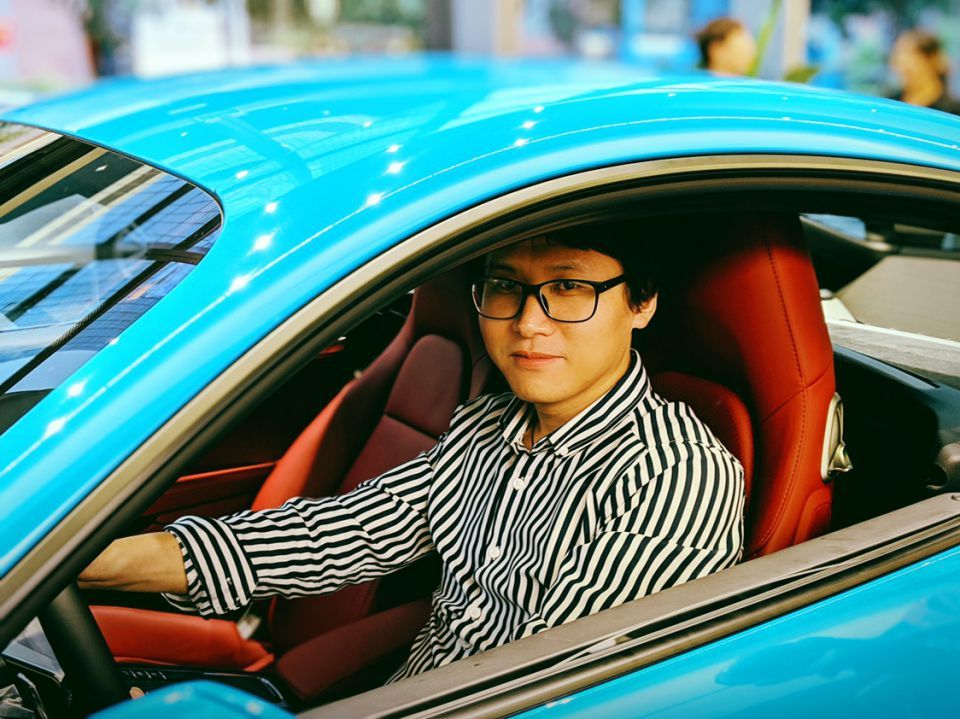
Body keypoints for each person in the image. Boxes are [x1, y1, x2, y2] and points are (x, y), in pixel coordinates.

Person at [81, 226, 745, 682]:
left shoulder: (673, 477)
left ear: (642, 303)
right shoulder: (485, 426)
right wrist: (87, 561)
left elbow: (552, 687)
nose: (527, 322)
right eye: (506, 285)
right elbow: (336, 534)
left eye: (569, 288)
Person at [890, 29, 960, 116]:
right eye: (897, 57)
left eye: (908, 56)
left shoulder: (952, 112)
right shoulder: (891, 103)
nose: (899, 66)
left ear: (931, 59)